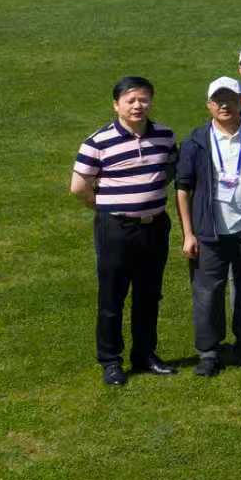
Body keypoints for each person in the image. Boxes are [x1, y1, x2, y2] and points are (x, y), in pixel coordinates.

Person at [72, 76, 178, 386]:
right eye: (130, 100)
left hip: (155, 227)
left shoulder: (165, 136)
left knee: (149, 294)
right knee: (112, 296)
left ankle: (145, 354)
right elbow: (78, 187)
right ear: (116, 105)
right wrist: (106, 206)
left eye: (143, 99)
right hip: (116, 229)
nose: (137, 105)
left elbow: (170, 169)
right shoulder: (98, 142)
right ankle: (110, 360)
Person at [174, 78, 241, 375]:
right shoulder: (196, 141)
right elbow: (183, 188)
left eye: (230, 99)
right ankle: (209, 352)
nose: (224, 105)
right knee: (207, 293)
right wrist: (188, 233)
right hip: (209, 232)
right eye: (218, 100)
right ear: (209, 105)